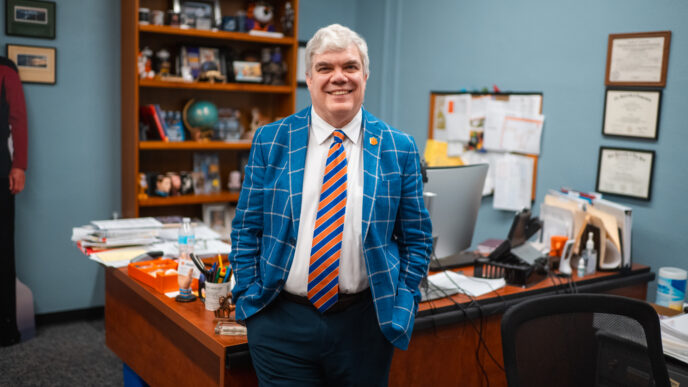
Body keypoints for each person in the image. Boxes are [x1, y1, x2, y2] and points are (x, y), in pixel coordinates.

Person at [228, 24, 432, 386]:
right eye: (325, 68)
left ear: (365, 75)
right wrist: (248, 299)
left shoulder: (398, 148)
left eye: (350, 67)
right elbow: (247, 227)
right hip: (280, 323)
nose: (339, 78)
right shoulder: (272, 139)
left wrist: (403, 304)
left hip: (365, 326)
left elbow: (417, 240)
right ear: (309, 78)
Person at [0, 57, 28, 347]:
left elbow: (17, 118)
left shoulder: (4, 69)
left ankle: (6, 327)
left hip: (1, 172)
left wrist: (19, 165)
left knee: (3, 249)